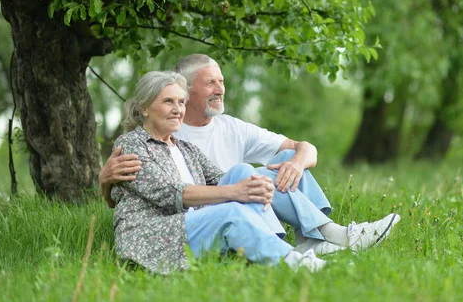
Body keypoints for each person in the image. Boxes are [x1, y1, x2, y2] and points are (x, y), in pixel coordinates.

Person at [100, 55, 400, 255]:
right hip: (203, 214)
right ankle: (316, 240)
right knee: (245, 173)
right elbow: (147, 192)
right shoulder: (164, 134)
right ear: (187, 91)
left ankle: (312, 238)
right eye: (210, 83)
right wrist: (104, 182)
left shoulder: (224, 129)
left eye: (221, 81)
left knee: (276, 164)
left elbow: (305, 148)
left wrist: (295, 163)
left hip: (241, 202)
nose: (220, 89)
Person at [110, 71, 326, 274]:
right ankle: (293, 260)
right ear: (144, 108)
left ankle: (275, 244)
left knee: (243, 171)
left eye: (181, 102)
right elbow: (170, 193)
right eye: (168, 101)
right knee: (231, 209)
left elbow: (226, 179)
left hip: (191, 225)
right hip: (156, 235)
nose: (178, 109)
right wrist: (235, 192)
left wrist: (254, 185)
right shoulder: (132, 144)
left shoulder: (186, 149)